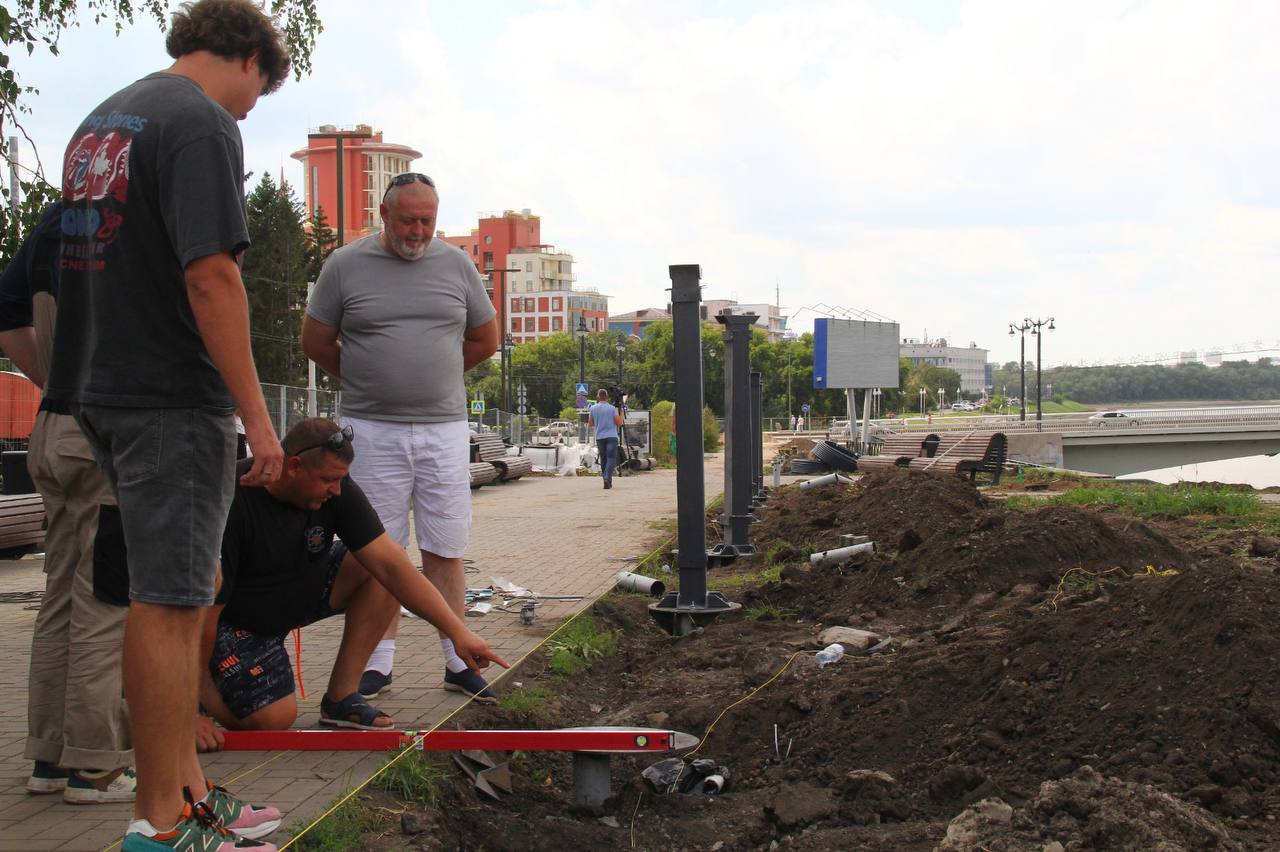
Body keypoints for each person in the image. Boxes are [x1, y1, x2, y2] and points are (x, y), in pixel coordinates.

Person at [45, 1, 291, 848]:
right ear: (248, 57)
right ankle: (158, 821)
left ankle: (187, 794)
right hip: (169, 397)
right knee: (171, 600)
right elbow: (213, 276)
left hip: (102, 386)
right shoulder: (200, 124)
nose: (250, 110)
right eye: (258, 92)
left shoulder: (100, 122)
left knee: (172, 591)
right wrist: (258, 421)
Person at [302, 172, 499, 704]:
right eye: (408, 220)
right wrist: (369, 378)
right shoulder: (345, 265)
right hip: (371, 431)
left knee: (446, 543)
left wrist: (436, 376)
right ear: (384, 215)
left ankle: (458, 660)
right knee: (378, 547)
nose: (418, 230)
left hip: (443, 430)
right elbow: (316, 340)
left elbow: (486, 337)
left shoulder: (457, 265)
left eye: (427, 221)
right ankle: (377, 664)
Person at [199, 419, 507, 732]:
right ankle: (188, 693)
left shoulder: (338, 488)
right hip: (233, 622)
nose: (336, 490)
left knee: (382, 568)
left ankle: (341, 699)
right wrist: (186, 717)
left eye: (340, 480)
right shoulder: (231, 498)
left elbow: (390, 566)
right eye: (328, 480)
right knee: (271, 721)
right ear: (294, 466)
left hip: (295, 591)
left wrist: (458, 633)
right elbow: (198, 618)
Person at [0, 203, 136, 804]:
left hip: (53, 427)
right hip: (106, 434)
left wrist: (55, 383)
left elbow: (7, 323)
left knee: (59, 597)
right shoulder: (134, 218)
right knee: (104, 599)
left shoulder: (52, 225)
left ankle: (49, 759)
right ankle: (95, 764)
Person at [586, 389, 623, 489]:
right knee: (611, 458)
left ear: (598, 397)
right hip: (611, 436)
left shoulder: (593, 408)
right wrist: (622, 411)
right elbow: (619, 423)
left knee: (604, 459)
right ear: (607, 397)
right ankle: (607, 477)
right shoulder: (612, 409)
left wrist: (599, 422)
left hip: (599, 437)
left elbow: (590, 424)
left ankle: (606, 481)